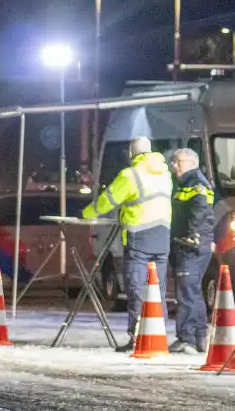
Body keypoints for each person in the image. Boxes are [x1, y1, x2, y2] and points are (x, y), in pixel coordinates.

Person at [82, 137, 172, 352]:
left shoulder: (131, 175)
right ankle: (158, 334)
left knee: (136, 287)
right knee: (158, 288)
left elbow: (107, 200)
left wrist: (86, 214)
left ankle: (137, 337)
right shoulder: (164, 174)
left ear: (132, 153)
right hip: (162, 236)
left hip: (139, 236)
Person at [168, 148, 215, 354]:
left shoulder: (196, 182)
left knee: (187, 292)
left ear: (191, 162)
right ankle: (199, 337)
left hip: (191, 245)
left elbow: (200, 207)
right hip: (188, 243)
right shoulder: (186, 182)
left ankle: (187, 337)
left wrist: (191, 233)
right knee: (193, 291)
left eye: (178, 162)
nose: (174, 165)